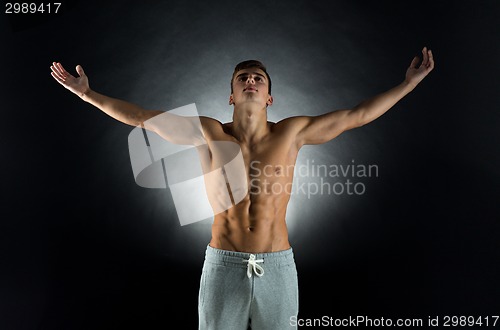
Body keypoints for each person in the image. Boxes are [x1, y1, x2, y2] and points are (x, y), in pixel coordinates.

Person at [50, 47, 434, 329]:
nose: (251, 81)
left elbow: (358, 116)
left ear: (269, 98)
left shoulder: (292, 132)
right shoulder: (207, 132)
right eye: (243, 78)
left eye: (258, 79)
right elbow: (143, 119)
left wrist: (408, 84)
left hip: (278, 266)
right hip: (223, 263)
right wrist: (87, 93)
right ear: (232, 96)